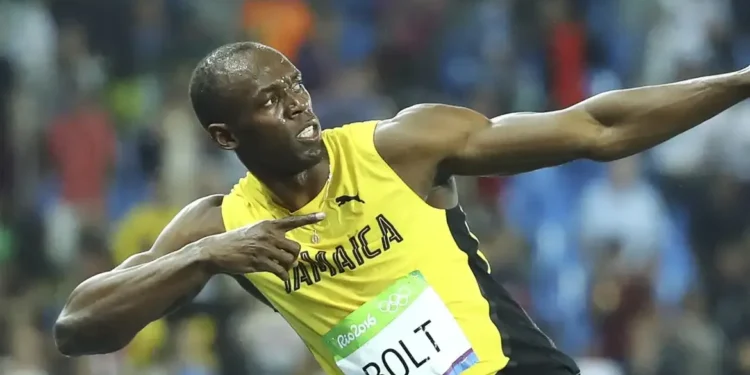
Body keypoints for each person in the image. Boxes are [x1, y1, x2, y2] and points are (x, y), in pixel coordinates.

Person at [53, 41, 750, 375]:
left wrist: (743, 81)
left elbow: (596, 128)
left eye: (296, 85)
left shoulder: (399, 148)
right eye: (271, 101)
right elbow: (78, 326)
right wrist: (205, 255)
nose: (298, 103)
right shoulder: (221, 224)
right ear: (225, 136)